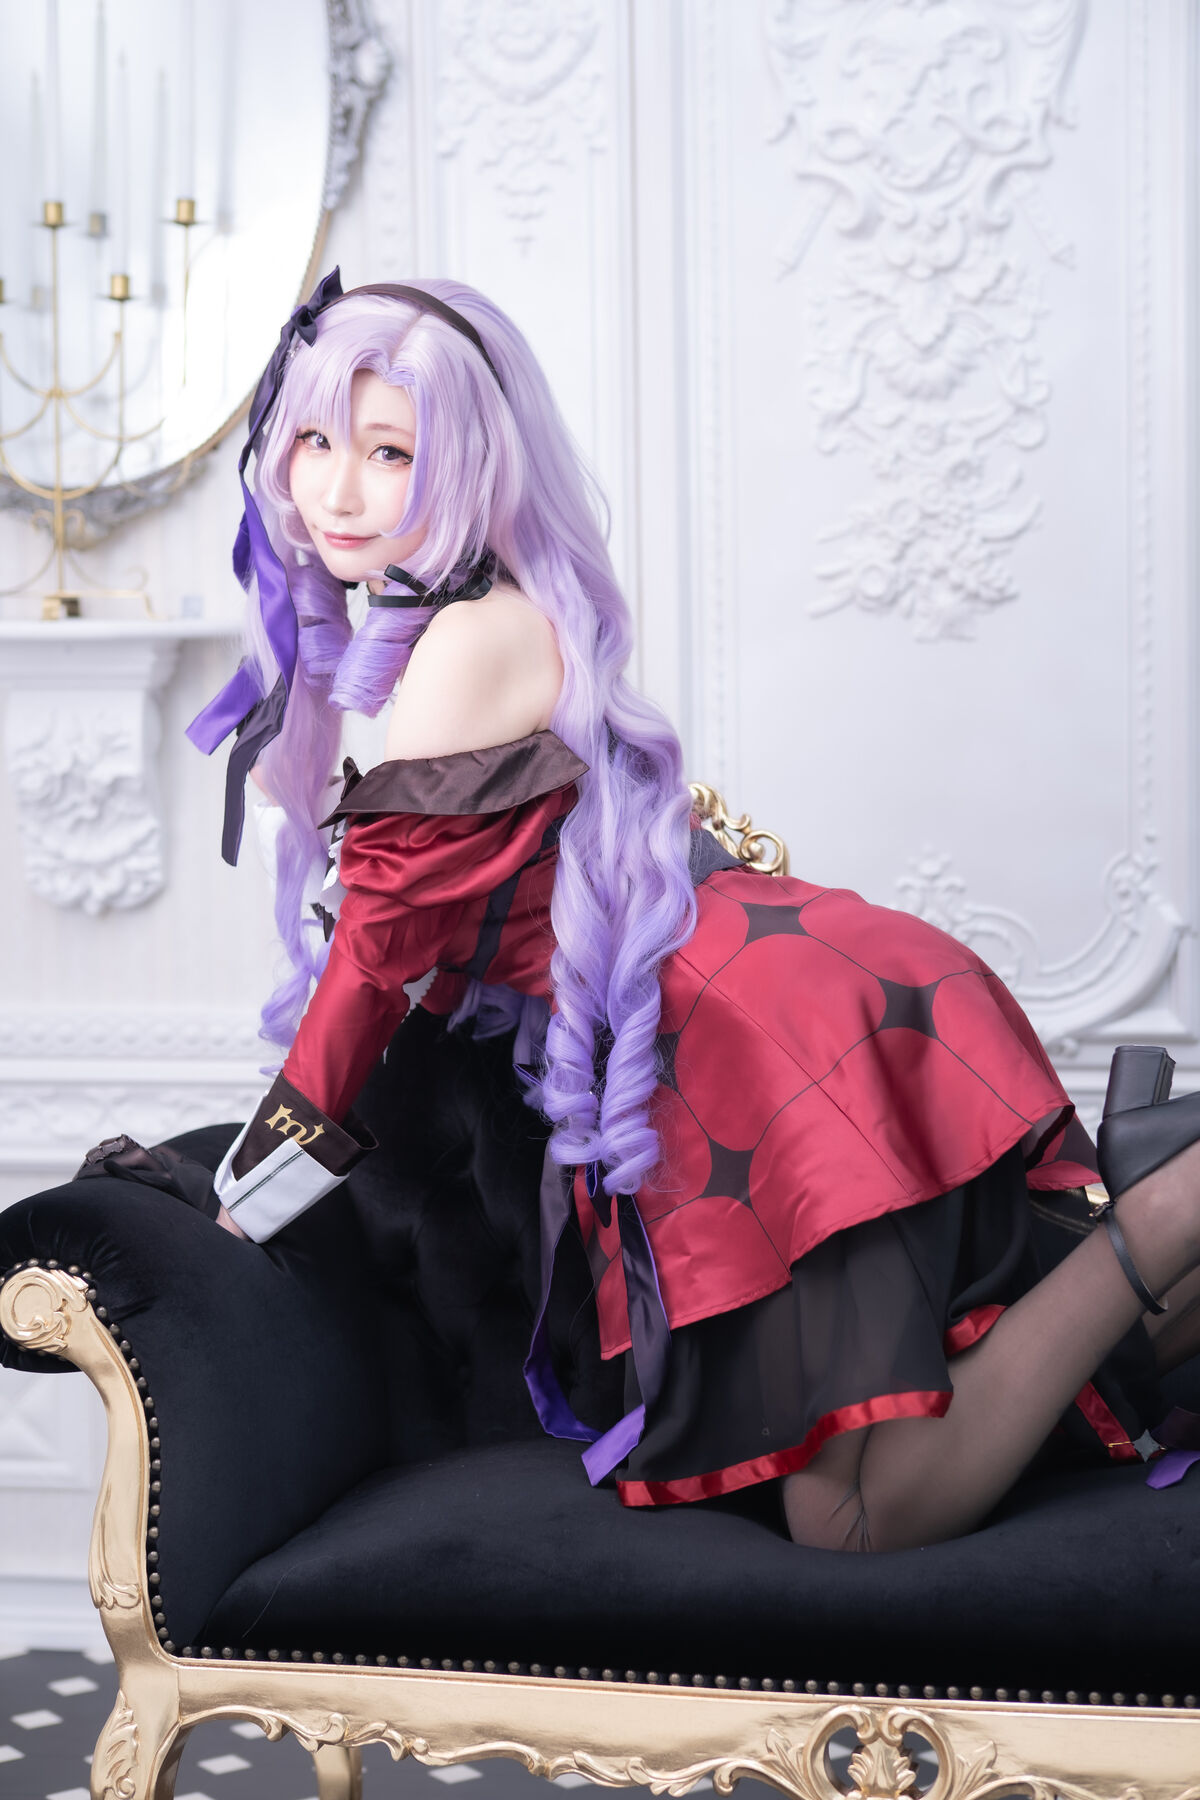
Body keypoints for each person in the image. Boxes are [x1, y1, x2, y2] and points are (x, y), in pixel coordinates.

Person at [180, 269, 1200, 1554]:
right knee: (869, 1471)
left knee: (855, 1517)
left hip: (758, 1035)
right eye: (315, 443)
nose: (336, 490)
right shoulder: (476, 614)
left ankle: (1175, 1202)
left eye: (390, 453)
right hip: (757, 998)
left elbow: (374, 967)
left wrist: (245, 1196)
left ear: (470, 462)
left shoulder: (464, 645)